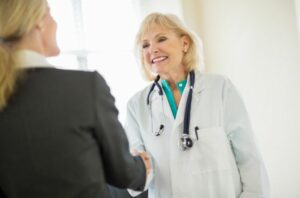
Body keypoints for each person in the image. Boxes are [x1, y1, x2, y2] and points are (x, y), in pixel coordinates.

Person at [0, 0, 151, 197]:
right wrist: (142, 166)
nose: (55, 23)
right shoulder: (85, 87)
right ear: (38, 21)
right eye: (50, 14)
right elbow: (123, 173)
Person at [124, 12, 270, 198]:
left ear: (185, 43)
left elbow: (249, 159)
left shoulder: (220, 88)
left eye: (161, 39)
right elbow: (135, 181)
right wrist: (134, 168)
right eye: (145, 45)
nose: (152, 49)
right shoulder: (136, 106)